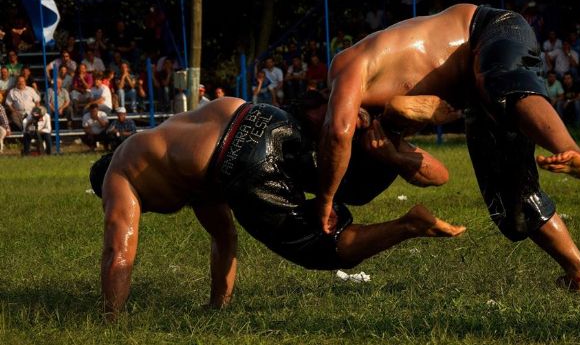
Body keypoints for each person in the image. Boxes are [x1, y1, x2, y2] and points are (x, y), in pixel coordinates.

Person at [90, 97, 465, 319]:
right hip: (265, 117)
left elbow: (118, 254)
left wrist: (111, 320)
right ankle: (393, 126)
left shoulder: (118, 173)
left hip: (235, 157)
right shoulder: (175, 150)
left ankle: (410, 224)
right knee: (348, 182)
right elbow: (224, 239)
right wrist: (218, 306)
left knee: (322, 246)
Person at [318, 3, 580, 291]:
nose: (351, 127)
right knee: (512, 206)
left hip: (487, 30)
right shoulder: (379, 124)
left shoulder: (344, 67)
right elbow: (438, 176)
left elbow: (337, 131)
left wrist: (326, 200)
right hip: (474, 95)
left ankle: (573, 151)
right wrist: (393, 156)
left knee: (501, 84)